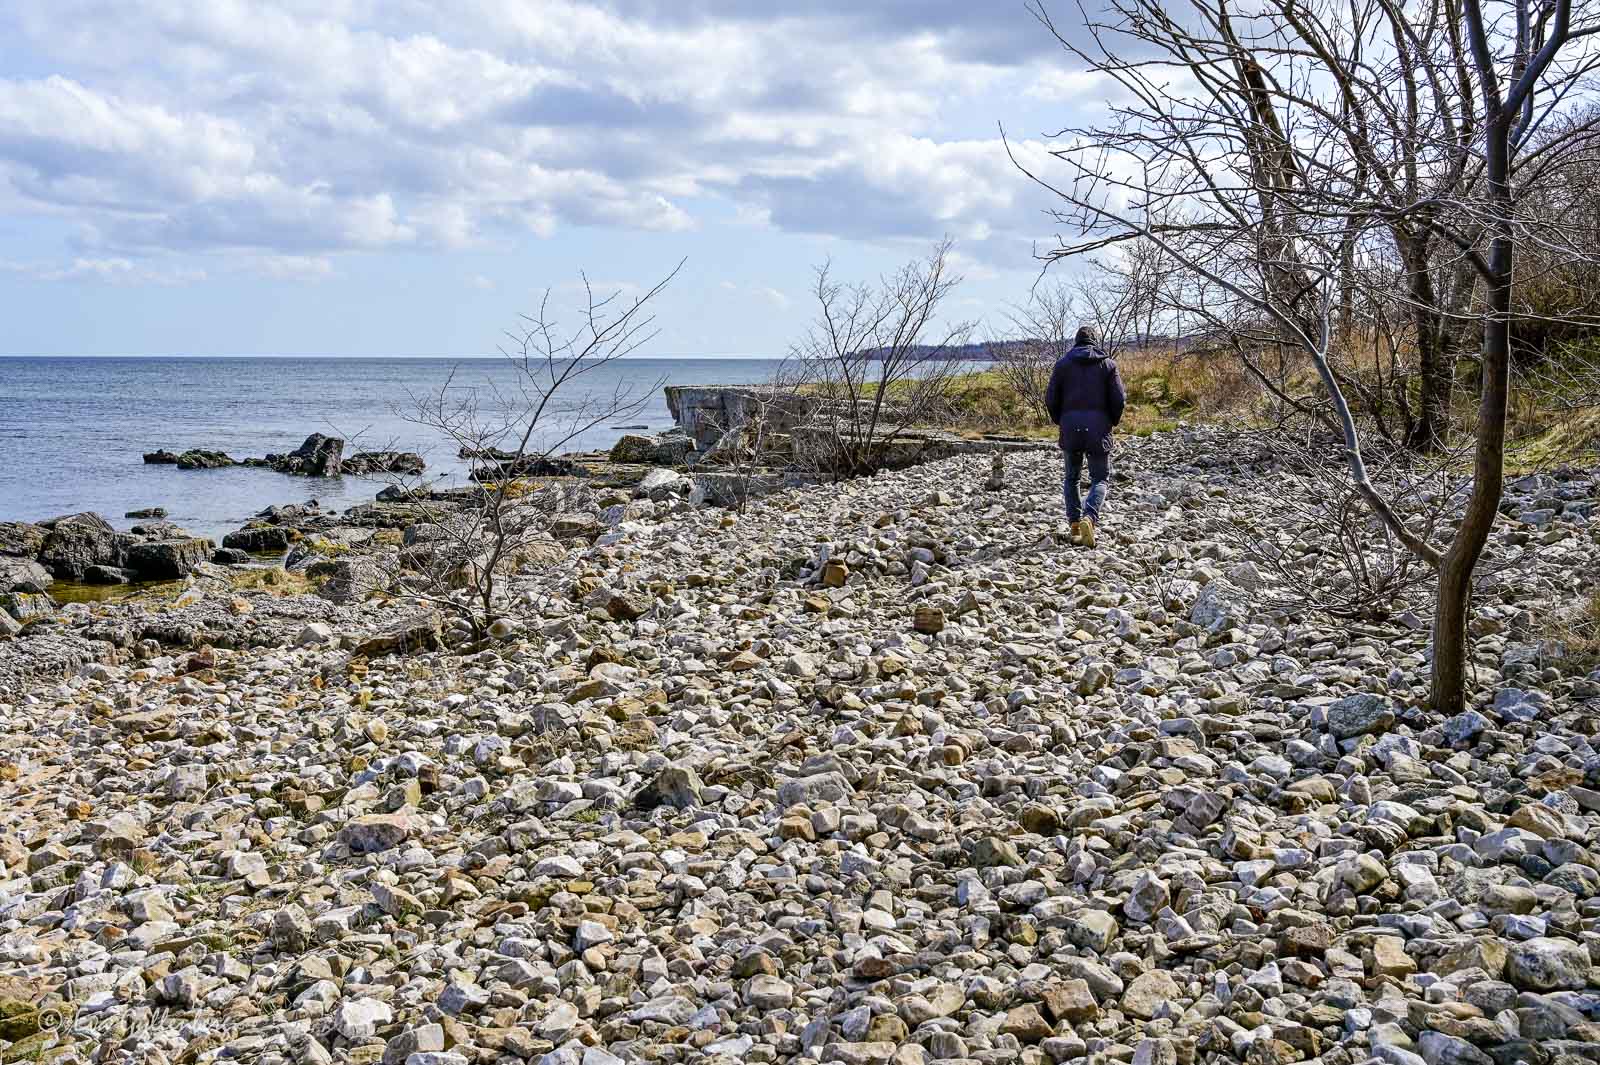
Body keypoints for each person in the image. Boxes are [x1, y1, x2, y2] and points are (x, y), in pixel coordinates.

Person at [1044, 325, 1126, 547]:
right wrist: (1112, 421)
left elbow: (1050, 399)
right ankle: (1089, 518)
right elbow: (1119, 399)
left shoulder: (1061, 365)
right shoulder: (1108, 365)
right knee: (1100, 478)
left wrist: (1061, 420)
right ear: (1095, 341)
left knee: (1071, 478)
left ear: (1076, 342)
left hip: (1070, 427)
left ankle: (1074, 525)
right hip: (1099, 428)